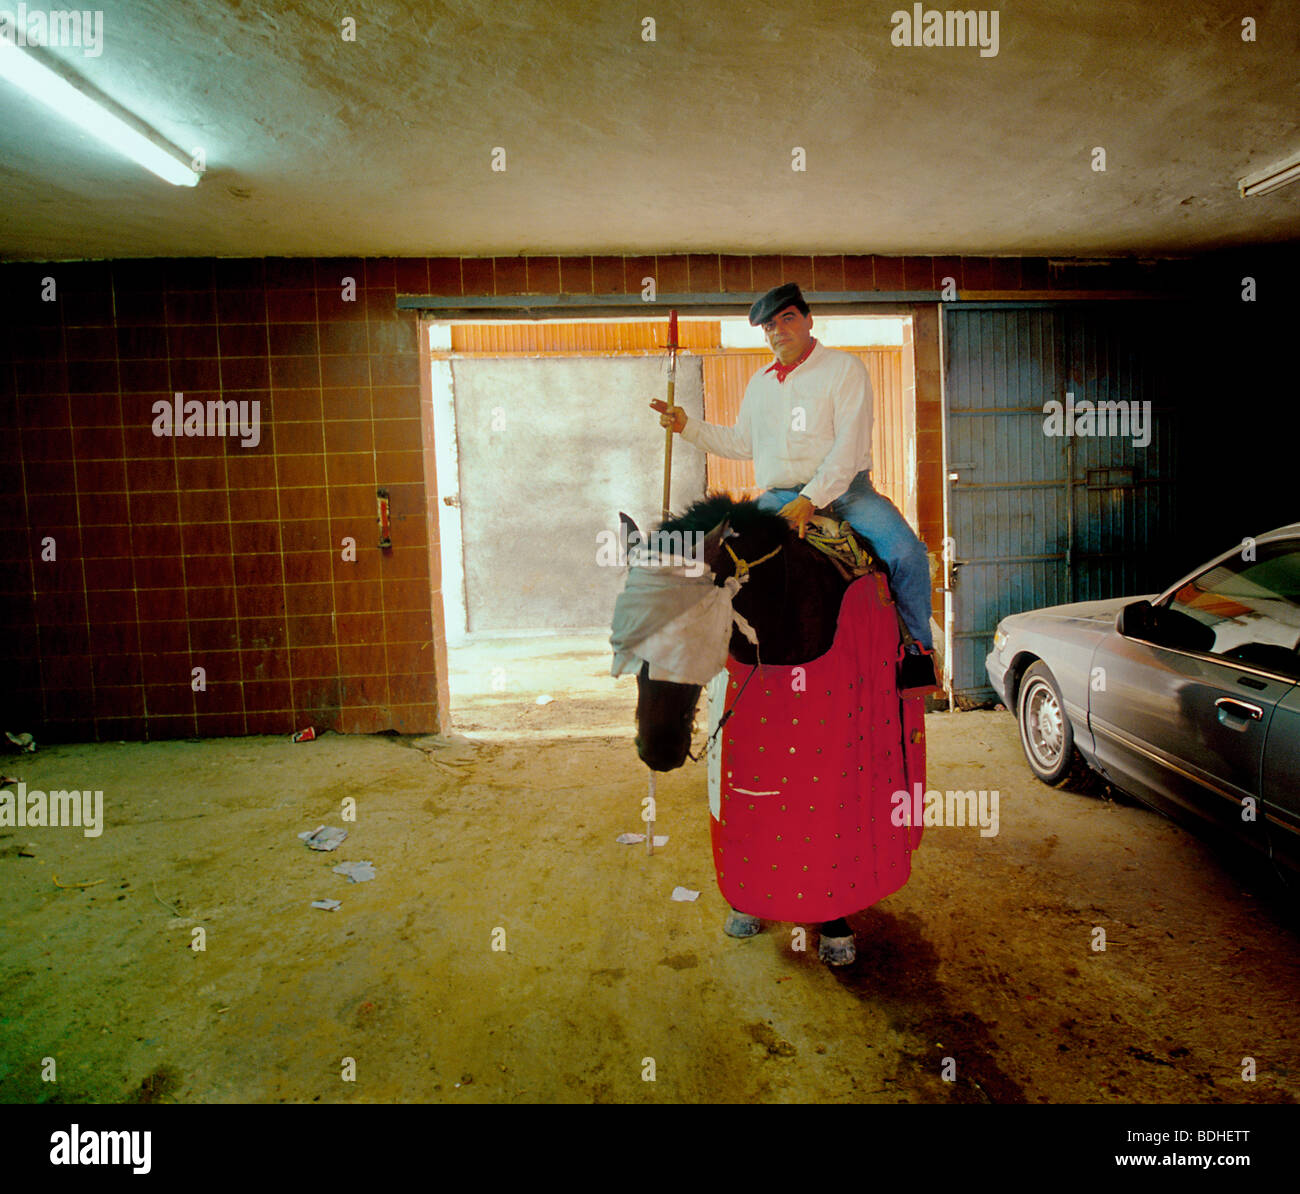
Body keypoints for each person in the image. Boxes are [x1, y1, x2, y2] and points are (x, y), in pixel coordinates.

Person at [651, 281, 939, 695]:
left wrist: (811, 499)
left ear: (808, 320)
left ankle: (918, 654)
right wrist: (687, 427)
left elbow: (849, 447)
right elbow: (741, 443)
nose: (778, 331)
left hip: (848, 494)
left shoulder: (844, 369)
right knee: (728, 554)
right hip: (778, 496)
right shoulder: (760, 384)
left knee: (907, 554)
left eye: (787, 319)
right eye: (769, 326)